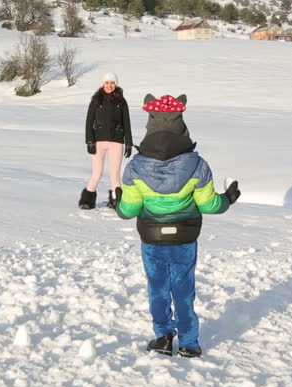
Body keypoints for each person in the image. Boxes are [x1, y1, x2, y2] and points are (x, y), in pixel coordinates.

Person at [115, 93, 240, 358]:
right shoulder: (197, 164)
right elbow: (209, 205)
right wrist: (228, 198)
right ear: (181, 124)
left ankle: (162, 337)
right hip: (184, 236)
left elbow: (128, 210)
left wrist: (118, 203)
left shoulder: (135, 167)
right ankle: (189, 343)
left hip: (152, 236)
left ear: (150, 125)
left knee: (158, 287)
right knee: (183, 288)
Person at [78, 72, 133, 210]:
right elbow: (89, 121)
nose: (110, 85)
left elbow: (126, 122)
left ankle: (116, 201)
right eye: (107, 82)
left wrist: (129, 143)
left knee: (115, 174)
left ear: (116, 84)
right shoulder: (97, 99)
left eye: (112, 82)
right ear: (103, 84)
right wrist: (89, 141)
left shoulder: (121, 101)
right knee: (97, 173)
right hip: (99, 141)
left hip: (117, 141)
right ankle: (87, 200)